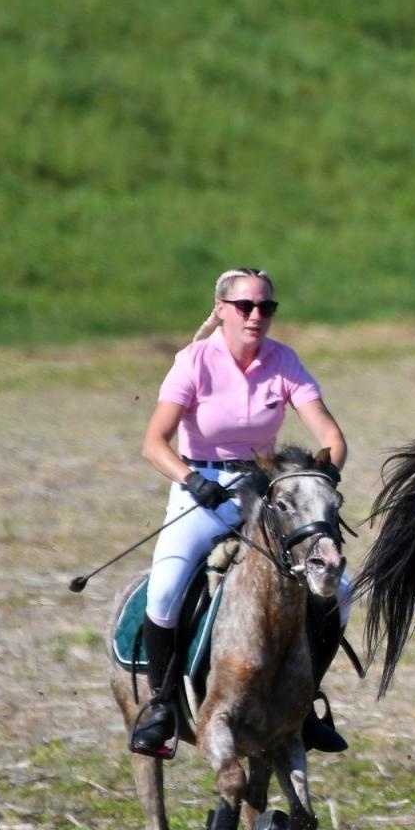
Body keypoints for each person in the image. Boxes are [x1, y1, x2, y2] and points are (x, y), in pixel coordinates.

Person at [128, 267, 353, 757]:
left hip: (268, 496)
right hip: (200, 491)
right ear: (222, 311)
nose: (257, 316)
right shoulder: (193, 362)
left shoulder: (285, 362)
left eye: (266, 307)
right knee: (165, 589)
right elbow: (153, 442)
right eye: (246, 306)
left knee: (341, 589)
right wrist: (191, 481)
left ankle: (304, 698)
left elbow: (332, 439)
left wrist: (319, 479)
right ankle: (164, 707)